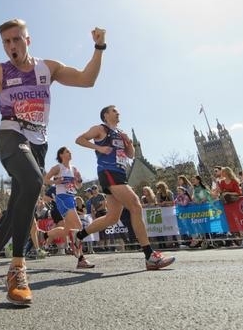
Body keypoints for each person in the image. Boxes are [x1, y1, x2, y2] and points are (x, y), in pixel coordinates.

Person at [0, 18, 106, 306]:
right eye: (6, 42)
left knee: (15, 212)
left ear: (28, 40)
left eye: (16, 39)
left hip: (38, 143)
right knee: (35, 181)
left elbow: (87, 79)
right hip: (10, 135)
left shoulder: (48, 68)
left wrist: (99, 46)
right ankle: (17, 269)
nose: (12, 46)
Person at [75, 105, 175, 270]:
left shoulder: (120, 133)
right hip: (108, 172)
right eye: (114, 110)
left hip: (121, 174)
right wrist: (99, 147)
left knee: (112, 218)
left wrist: (128, 144)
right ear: (106, 115)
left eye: (118, 111)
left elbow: (130, 155)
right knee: (135, 205)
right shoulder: (100, 128)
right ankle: (150, 255)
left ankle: (79, 236)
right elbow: (79, 139)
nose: (118, 112)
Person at [42, 146, 94, 269]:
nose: (70, 153)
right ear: (61, 155)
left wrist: (79, 180)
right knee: (79, 227)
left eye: (70, 151)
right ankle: (81, 258)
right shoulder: (58, 167)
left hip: (71, 197)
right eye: (67, 152)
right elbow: (45, 179)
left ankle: (45, 235)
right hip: (62, 198)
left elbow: (78, 186)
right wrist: (56, 182)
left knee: (67, 230)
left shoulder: (74, 168)